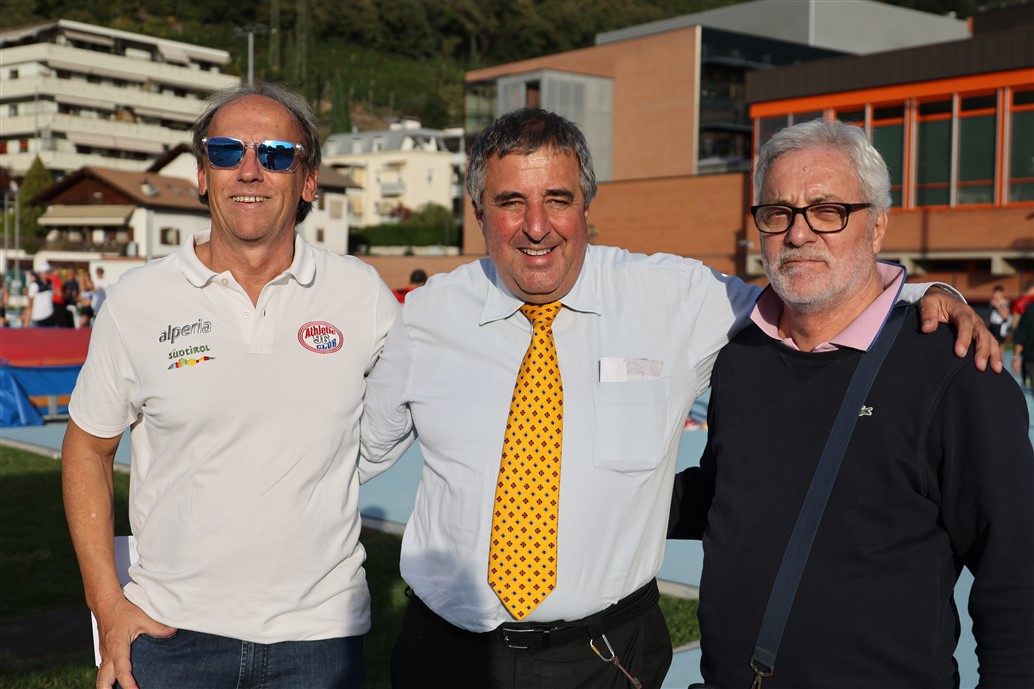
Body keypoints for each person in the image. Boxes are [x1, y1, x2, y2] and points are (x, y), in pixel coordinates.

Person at [358, 108, 1001, 689]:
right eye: (509, 202)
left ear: (586, 206)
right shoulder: (427, 317)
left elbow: (816, 287)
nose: (536, 226)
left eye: (558, 199)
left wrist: (925, 294)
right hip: (446, 656)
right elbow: (357, 453)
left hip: (607, 659)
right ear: (478, 213)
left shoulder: (677, 297)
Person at [669, 119, 1034, 688]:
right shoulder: (742, 357)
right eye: (778, 213)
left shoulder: (956, 372)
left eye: (827, 210)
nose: (798, 233)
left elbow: (1016, 573)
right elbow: (732, 493)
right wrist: (609, 498)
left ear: (877, 225)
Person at [62, 82, 399, 689]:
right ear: (202, 174)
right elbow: (87, 446)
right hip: (170, 636)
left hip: (319, 641)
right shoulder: (139, 300)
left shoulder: (360, 294)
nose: (249, 171)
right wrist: (106, 603)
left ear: (309, 181)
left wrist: (338, 468)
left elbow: (416, 400)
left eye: (275, 154)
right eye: (225, 152)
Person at [1013, 304, 1034, 390]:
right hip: (1031, 360)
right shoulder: (1030, 311)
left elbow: (1021, 335)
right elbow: (1021, 335)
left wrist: (1016, 358)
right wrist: (1016, 357)